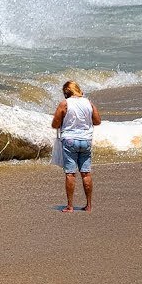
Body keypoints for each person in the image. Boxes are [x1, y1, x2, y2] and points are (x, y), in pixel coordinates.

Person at [51, 80, 100, 213]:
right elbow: (97, 121)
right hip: (86, 140)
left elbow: (55, 124)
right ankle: (88, 205)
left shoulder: (65, 104)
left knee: (70, 174)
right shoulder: (88, 103)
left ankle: (70, 206)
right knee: (86, 173)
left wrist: (64, 121)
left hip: (70, 141)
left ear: (66, 92)